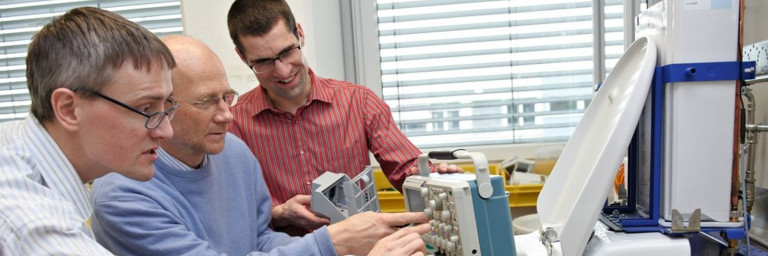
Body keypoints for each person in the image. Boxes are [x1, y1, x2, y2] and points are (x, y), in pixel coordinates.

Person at [90, 35, 430, 256]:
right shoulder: (122, 192)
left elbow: (262, 241)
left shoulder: (234, 153)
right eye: (207, 101)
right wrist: (331, 244)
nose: (226, 115)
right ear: (162, 104)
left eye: (227, 96)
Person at [226, 0, 461, 235]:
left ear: (300, 34)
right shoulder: (232, 126)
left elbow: (406, 169)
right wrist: (276, 214)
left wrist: (433, 178)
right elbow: (228, 213)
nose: (282, 71)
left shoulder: (359, 103)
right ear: (241, 56)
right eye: (263, 62)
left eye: (287, 52)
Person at [0, 7, 177, 255]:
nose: (166, 131)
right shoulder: (32, 227)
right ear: (69, 109)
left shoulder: (16, 142)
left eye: (166, 105)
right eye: (146, 108)